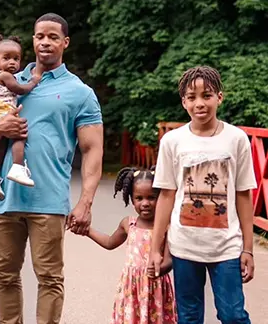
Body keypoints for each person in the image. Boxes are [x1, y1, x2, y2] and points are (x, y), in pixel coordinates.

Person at [0, 13, 104, 324]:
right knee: (4, 278)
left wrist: (85, 202)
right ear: (32, 40)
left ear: (65, 43)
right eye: (39, 36)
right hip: (2, 200)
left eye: (53, 37)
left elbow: (92, 149)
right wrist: (0, 128)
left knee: (50, 279)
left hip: (48, 200)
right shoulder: (5, 81)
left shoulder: (80, 93)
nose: (45, 42)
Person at [148, 66, 256, 324]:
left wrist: (248, 249)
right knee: (189, 316)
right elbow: (166, 196)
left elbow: (243, 195)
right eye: (192, 97)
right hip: (184, 245)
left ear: (220, 97)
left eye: (207, 95)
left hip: (226, 246)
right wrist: (156, 248)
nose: (200, 103)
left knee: (233, 315)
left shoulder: (237, 139)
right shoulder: (173, 141)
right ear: (184, 102)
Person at [86, 166, 177, 324]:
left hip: (156, 288)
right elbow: (109, 242)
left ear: (161, 197)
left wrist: (161, 269)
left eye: (151, 197)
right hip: (131, 289)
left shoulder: (166, 227)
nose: (145, 203)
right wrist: (88, 231)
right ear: (131, 198)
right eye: (139, 198)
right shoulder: (129, 224)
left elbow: (170, 259)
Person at [0, 32, 41, 200]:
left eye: (16, 58)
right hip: (2, 112)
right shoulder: (5, 75)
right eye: (6, 58)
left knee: (0, 146)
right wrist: (33, 82)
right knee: (18, 134)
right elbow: (19, 89)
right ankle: (18, 166)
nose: (12, 62)